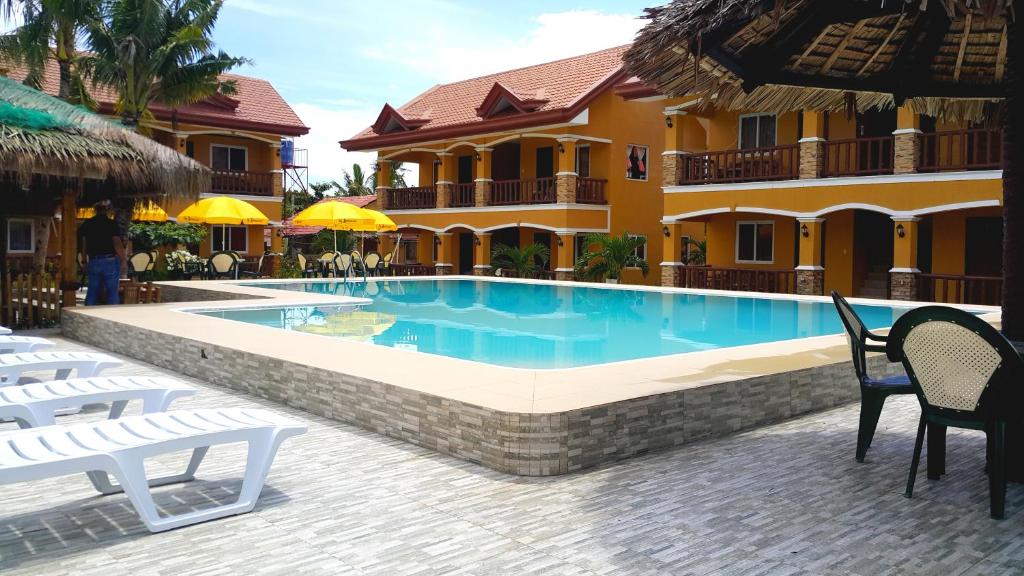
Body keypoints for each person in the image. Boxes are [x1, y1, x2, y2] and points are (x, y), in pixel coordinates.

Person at [78, 204, 126, 305]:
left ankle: (88, 315)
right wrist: (123, 260)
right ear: (107, 210)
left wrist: (83, 260)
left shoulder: (87, 224)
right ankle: (112, 316)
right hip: (110, 260)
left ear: (95, 210)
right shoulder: (111, 224)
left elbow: (84, 243)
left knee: (92, 291)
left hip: (94, 260)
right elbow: (117, 242)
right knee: (112, 292)